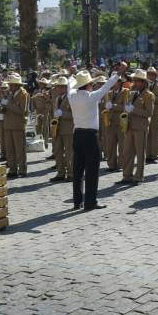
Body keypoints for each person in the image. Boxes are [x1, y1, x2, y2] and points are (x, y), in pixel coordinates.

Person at [67, 69, 119, 211]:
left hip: (77, 134)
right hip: (90, 136)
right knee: (92, 171)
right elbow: (106, 86)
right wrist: (117, 74)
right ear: (89, 85)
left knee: (78, 169)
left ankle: (77, 201)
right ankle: (90, 202)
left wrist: (73, 75)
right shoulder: (92, 96)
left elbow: (70, 84)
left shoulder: (71, 95)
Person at [117, 69, 154, 185]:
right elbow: (126, 108)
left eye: (137, 81)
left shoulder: (149, 95)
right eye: (134, 80)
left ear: (143, 82)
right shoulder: (132, 93)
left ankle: (139, 176)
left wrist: (134, 110)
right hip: (129, 126)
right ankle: (127, 175)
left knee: (140, 152)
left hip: (140, 127)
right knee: (127, 152)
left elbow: (149, 113)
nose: (134, 83)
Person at [0, 73, 29, 178]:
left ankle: (22, 169)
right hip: (7, 124)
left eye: (12, 84)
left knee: (19, 149)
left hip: (18, 125)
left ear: (17, 85)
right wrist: (1, 106)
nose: (10, 86)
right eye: (10, 84)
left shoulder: (23, 94)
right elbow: (4, 108)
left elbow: (22, 111)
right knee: (9, 148)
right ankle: (12, 169)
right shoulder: (8, 93)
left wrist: (8, 104)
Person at [50, 76, 74, 182]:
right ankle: (60, 172)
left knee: (69, 152)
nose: (58, 89)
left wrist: (63, 114)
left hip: (68, 129)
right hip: (57, 129)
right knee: (58, 151)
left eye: (61, 87)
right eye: (57, 87)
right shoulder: (57, 99)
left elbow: (75, 115)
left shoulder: (71, 98)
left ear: (66, 87)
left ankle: (71, 173)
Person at [145, 67, 158, 163]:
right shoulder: (144, 86)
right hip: (145, 114)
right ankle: (148, 155)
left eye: (153, 74)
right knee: (147, 134)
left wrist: (152, 96)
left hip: (155, 113)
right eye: (149, 74)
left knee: (155, 135)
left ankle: (155, 155)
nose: (151, 76)